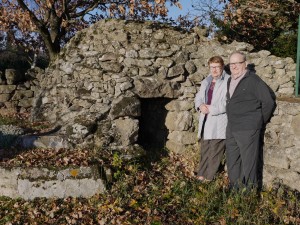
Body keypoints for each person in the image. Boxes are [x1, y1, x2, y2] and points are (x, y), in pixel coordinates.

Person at [226, 51, 276, 190]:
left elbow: (268, 102)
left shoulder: (254, 80)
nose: (234, 66)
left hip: (248, 128)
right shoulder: (230, 79)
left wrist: (259, 121)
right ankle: (235, 192)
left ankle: (249, 197)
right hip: (231, 127)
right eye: (232, 63)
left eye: (238, 63)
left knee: (249, 164)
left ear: (245, 64)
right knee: (232, 161)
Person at [194, 56, 230, 182]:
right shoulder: (206, 81)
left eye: (217, 67)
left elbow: (228, 103)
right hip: (205, 121)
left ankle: (209, 178)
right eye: (212, 67)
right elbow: (198, 97)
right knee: (205, 149)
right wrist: (200, 105)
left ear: (222, 67)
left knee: (215, 151)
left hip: (219, 121)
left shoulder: (228, 81)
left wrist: (211, 109)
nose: (214, 70)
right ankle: (201, 175)